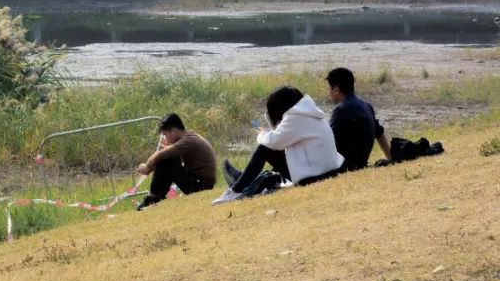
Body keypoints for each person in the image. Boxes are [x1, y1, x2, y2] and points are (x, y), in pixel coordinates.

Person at [214, 86, 344, 204]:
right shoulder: (311, 113)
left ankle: (235, 190)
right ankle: (250, 180)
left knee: (264, 149)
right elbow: (281, 140)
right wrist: (269, 135)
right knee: (273, 148)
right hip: (328, 171)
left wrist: (262, 134)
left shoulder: (296, 118)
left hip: (314, 178)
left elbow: (274, 142)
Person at [134, 113, 217, 210]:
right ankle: (154, 197)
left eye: (165, 134)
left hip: (201, 186)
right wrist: (150, 169)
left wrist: (147, 167)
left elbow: (158, 156)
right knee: (167, 159)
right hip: (200, 182)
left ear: (173, 131)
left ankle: (153, 198)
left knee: (166, 157)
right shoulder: (189, 137)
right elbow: (165, 167)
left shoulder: (187, 141)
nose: (165, 138)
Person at [326, 67, 391, 170]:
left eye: (329, 89)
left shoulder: (340, 110)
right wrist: (391, 159)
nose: (328, 93)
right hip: (361, 164)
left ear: (336, 90)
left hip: (344, 168)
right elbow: (380, 134)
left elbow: (327, 141)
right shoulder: (367, 106)